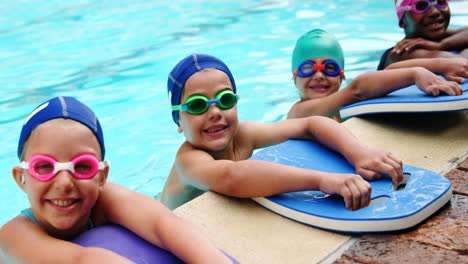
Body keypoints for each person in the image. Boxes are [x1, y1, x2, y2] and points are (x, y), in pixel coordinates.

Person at [0, 96, 232, 263]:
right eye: (44, 167)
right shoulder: (12, 236)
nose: (64, 183)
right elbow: (81, 259)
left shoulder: (105, 200)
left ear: (102, 176)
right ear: (21, 178)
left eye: (82, 166)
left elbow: (162, 224)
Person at [161, 53, 405, 211]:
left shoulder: (245, 134)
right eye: (196, 105)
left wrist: (359, 153)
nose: (214, 112)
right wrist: (321, 180)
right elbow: (232, 176)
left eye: (224, 100)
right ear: (179, 121)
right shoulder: (188, 160)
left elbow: (310, 124)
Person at [287, 28, 463, 121]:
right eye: (308, 69)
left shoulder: (343, 102)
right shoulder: (299, 112)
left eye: (330, 67)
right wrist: (414, 74)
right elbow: (358, 89)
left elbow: (388, 73)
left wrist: (442, 65)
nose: (319, 75)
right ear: (294, 77)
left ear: (342, 76)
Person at [377, 0, 468, 70]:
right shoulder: (402, 53)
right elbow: (463, 64)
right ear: (402, 22)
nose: (434, 12)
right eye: (420, 6)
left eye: (440, 2)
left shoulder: (438, 39)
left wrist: (441, 45)